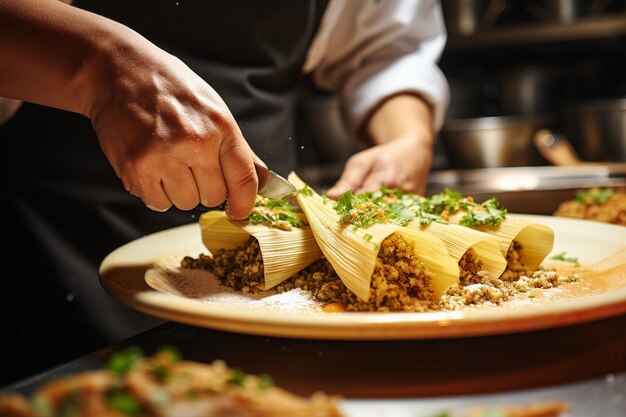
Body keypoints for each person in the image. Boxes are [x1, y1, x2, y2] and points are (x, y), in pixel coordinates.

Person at [0, 0, 449, 383]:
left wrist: (408, 138)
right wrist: (98, 66)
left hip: (271, 262)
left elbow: (385, 48)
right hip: (53, 239)